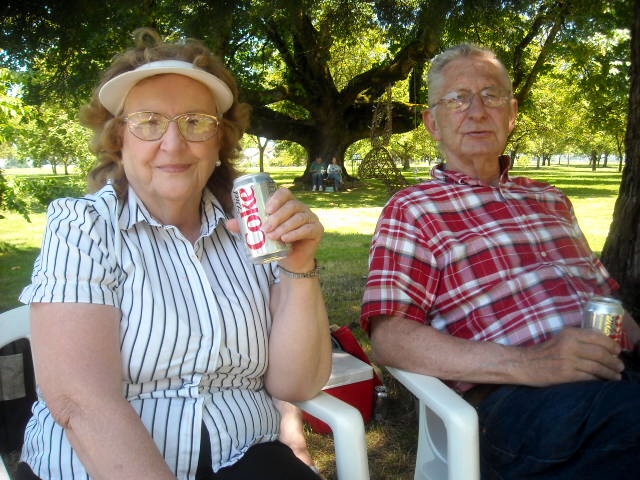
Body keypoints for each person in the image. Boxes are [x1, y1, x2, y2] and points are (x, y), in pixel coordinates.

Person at [16, 28, 331, 480]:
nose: (173, 143)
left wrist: (299, 267)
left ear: (220, 141)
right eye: (148, 122)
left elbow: (295, 384)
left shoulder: (252, 230)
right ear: (118, 140)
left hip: (242, 454)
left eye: (195, 122)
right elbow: (80, 402)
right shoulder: (84, 225)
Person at [361, 43, 640, 479]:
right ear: (432, 123)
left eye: (491, 96)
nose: (477, 112)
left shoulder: (550, 198)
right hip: (520, 401)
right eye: (458, 99)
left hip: (613, 376)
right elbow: (390, 339)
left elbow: (609, 304)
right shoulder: (414, 209)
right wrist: (532, 364)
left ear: (511, 114)